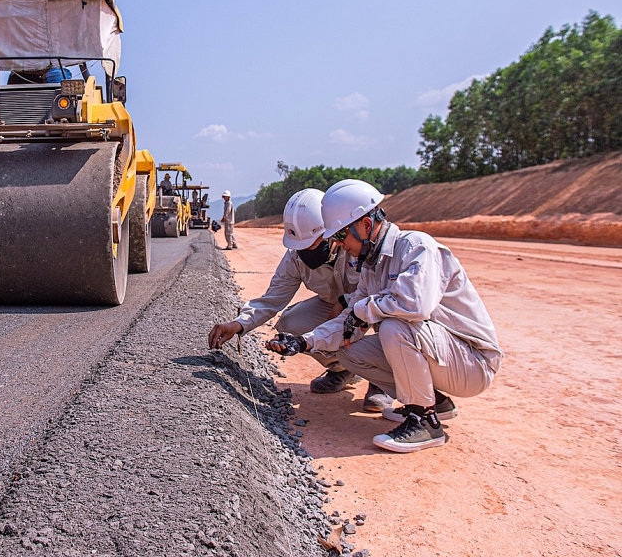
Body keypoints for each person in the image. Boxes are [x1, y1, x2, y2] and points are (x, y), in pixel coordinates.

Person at [271, 179, 503, 453]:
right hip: (441, 356)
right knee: (350, 354)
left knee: (394, 326)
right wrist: (305, 342)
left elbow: (415, 305)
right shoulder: (372, 267)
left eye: (342, 236)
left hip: (472, 363)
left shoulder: (416, 247)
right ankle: (436, 402)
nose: (340, 245)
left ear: (365, 226)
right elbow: (350, 320)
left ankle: (424, 421)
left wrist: (361, 310)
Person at [207, 189, 392, 410]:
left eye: (312, 245)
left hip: (369, 304)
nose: (306, 253)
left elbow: (382, 288)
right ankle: (341, 369)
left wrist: (345, 304)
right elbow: (272, 298)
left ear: (332, 232)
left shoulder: (357, 245)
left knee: (387, 319)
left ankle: (382, 383)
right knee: (291, 324)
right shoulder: (295, 257)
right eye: (301, 247)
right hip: (331, 306)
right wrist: (238, 324)